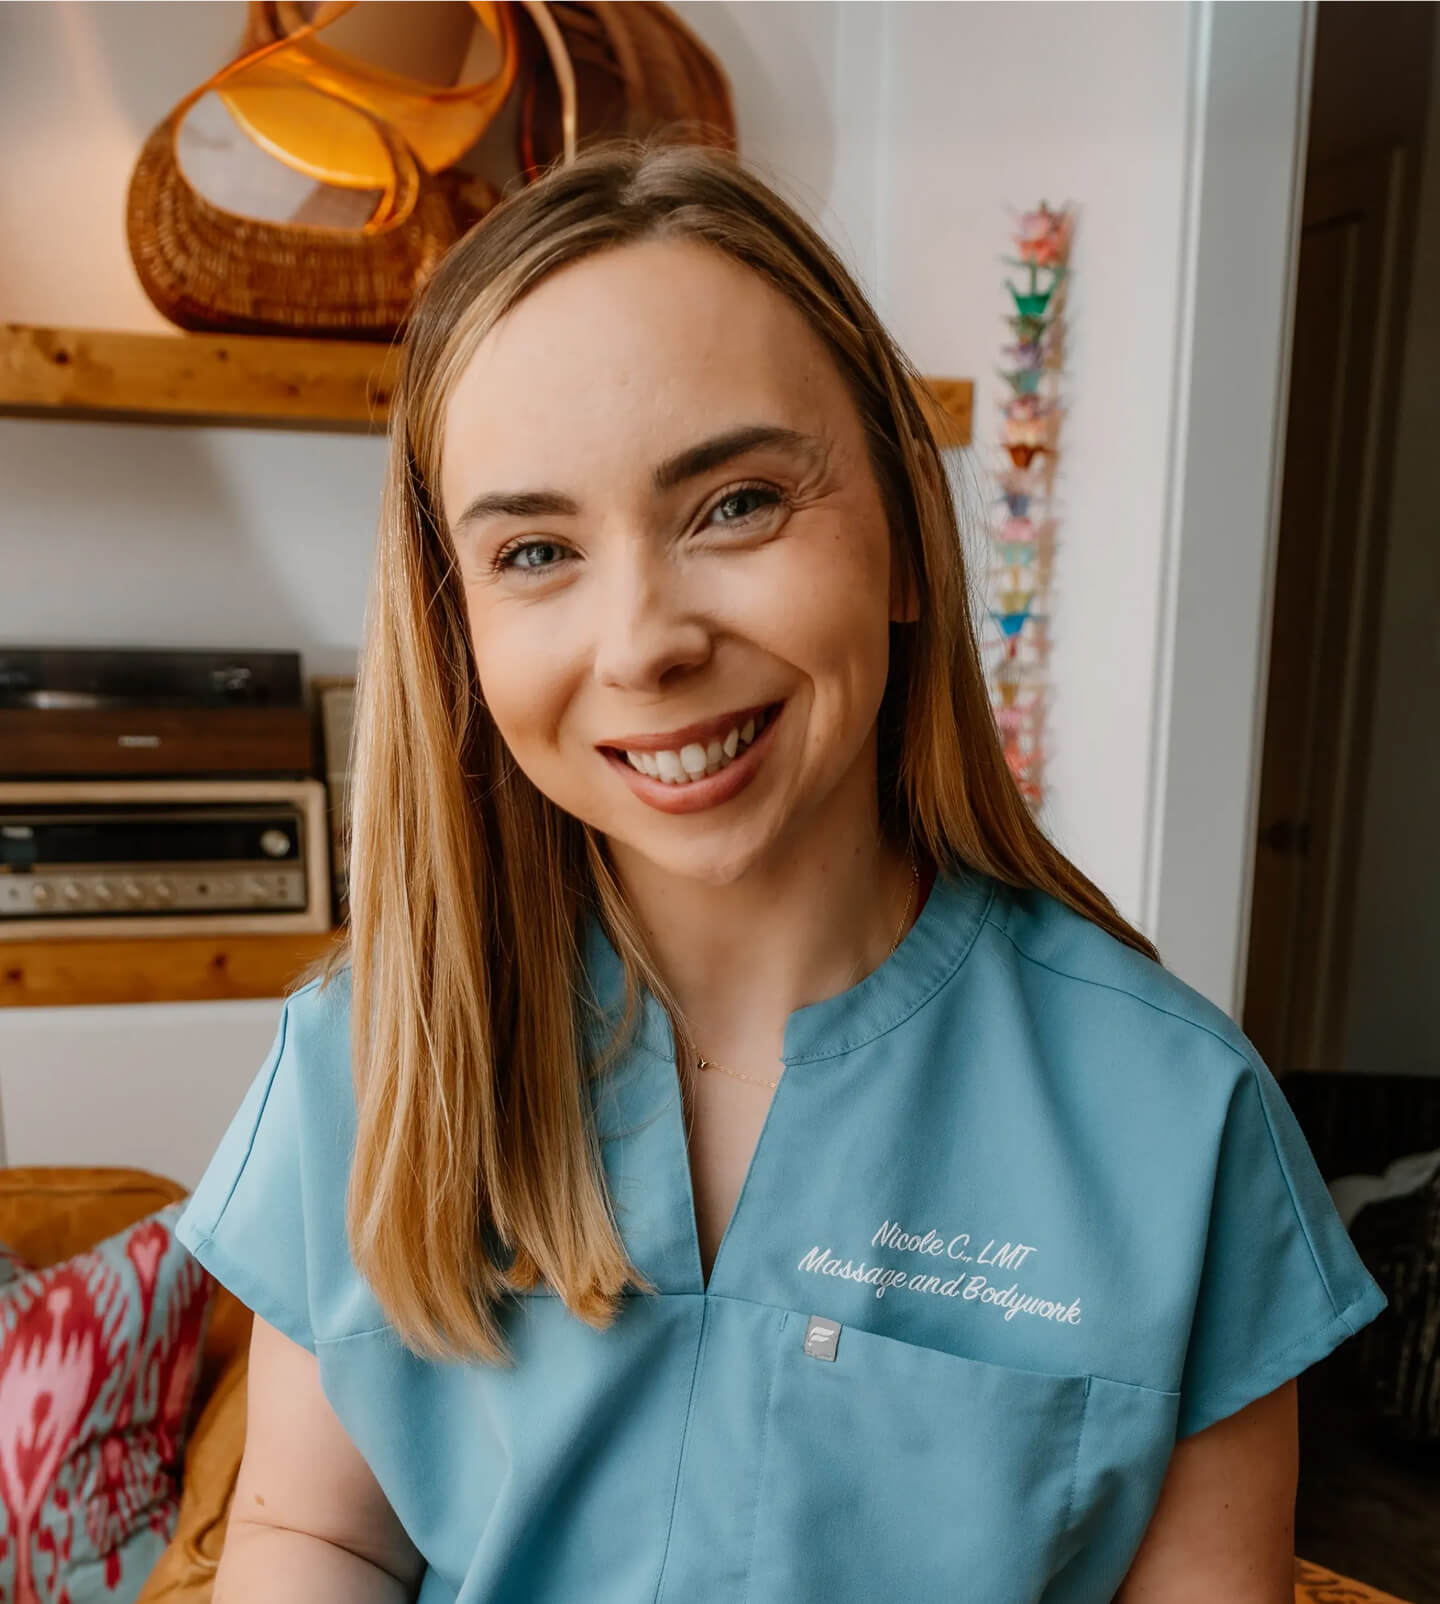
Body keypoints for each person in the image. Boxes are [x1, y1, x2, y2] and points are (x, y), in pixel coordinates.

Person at [177, 136, 1386, 1604]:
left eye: (735, 503)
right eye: (537, 553)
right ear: (458, 631)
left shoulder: (1178, 1126)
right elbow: (322, 1536)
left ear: (904, 548)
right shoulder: (366, 1059)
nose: (642, 643)